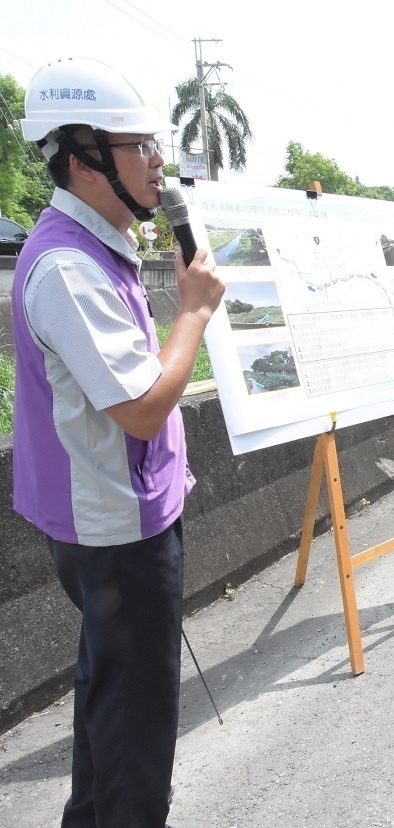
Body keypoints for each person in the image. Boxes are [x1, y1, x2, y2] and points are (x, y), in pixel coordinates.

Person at [13, 57, 225, 826]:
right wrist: (193, 313)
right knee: (137, 736)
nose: (157, 163)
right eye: (141, 147)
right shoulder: (69, 267)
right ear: (85, 159)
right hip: (117, 533)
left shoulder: (94, 245)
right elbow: (139, 407)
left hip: (111, 520)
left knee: (107, 702)